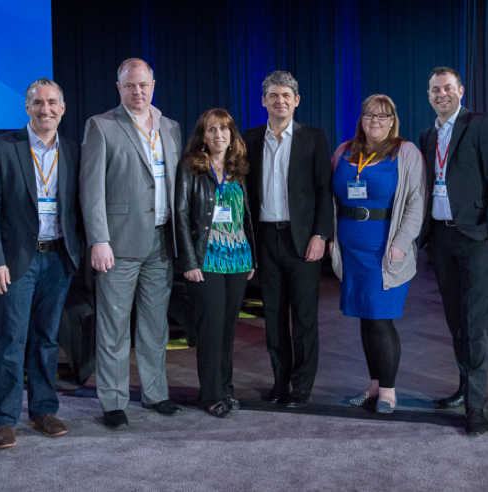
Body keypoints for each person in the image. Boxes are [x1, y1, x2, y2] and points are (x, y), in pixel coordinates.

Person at [0, 78, 83, 448]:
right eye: (38, 103)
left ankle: (43, 410)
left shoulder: (73, 150)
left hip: (58, 258)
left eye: (52, 102)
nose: (45, 109)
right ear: (27, 107)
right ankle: (3, 419)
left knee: (47, 339)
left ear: (62, 108)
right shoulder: (1, 148)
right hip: (15, 261)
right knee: (10, 340)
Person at [80, 58, 183, 430]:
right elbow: (90, 189)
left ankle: (155, 393)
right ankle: (113, 401)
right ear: (118, 88)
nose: (137, 92)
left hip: (162, 240)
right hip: (118, 243)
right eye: (129, 86)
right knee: (114, 327)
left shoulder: (170, 127)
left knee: (155, 325)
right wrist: (99, 240)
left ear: (153, 85)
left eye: (143, 85)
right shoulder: (101, 125)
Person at [418, 67, 488, 436]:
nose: (441, 94)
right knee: (456, 321)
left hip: (475, 238)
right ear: (428, 95)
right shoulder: (428, 135)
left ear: (461, 90)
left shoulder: (482, 125)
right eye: (434, 89)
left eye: (447, 88)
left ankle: (476, 406)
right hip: (441, 239)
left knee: (475, 323)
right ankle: (464, 387)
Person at [329, 95, 425, 413]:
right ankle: (373, 386)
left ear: (392, 120)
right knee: (366, 318)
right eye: (370, 115)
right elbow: (331, 198)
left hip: (384, 250)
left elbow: (416, 201)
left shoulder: (405, 152)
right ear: (361, 118)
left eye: (383, 116)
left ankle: (388, 392)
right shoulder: (344, 151)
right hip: (351, 248)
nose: (375, 121)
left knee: (381, 319)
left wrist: (401, 243)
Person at [243, 70, 333, 408]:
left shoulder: (313, 138)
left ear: (296, 101)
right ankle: (280, 382)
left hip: (303, 241)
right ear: (263, 101)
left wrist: (320, 234)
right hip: (265, 239)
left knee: (305, 318)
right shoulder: (250, 139)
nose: (279, 101)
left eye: (286, 96)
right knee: (274, 317)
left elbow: (324, 191)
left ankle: (302, 386)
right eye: (273, 96)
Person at [175, 108, 256, 419]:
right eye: (212, 129)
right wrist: (189, 260)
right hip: (205, 259)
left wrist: (251, 257)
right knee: (210, 328)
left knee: (228, 329)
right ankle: (210, 395)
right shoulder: (191, 167)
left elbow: (246, 217)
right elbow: (181, 215)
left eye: (224, 129)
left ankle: (226, 388)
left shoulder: (239, 169)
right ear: (203, 136)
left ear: (232, 135)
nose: (218, 135)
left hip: (237, 258)